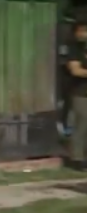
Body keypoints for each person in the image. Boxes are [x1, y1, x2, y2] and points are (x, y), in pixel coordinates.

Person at [66, 19, 87, 170]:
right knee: (82, 124)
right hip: (81, 92)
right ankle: (77, 159)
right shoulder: (74, 49)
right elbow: (75, 70)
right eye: (82, 30)